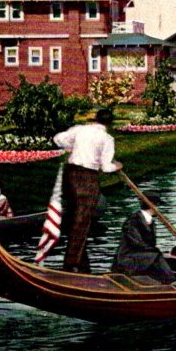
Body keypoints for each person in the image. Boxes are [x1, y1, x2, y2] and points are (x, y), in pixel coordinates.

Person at [53, 108, 122, 273]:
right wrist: (118, 166)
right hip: (87, 178)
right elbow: (106, 167)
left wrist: (71, 148)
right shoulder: (107, 139)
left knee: (73, 218)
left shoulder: (80, 129)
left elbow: (58, 139)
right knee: (82, 221)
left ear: (96, 119)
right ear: (109, 123)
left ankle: (80, 263)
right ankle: (72, 265)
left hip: (70, 175)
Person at [111, 191, 175, 284]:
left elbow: (150, 244)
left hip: (140, 256)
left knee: (158, 256)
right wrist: (155, 251)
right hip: (127, 258)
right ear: (153, 206)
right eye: (157, 205)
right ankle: (171, 281)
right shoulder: (132, 221)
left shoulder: (150, 222)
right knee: (156, 256)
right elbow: (137, 243)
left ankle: (168, 280)